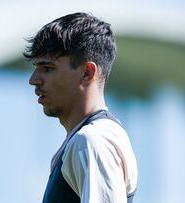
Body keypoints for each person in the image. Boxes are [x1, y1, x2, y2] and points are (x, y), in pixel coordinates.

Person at [24, 12, 138, 203]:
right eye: (36, 67)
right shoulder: (87, 139)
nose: (33, 80)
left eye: (48, 68)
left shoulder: (92, 141)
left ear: (87, 73)